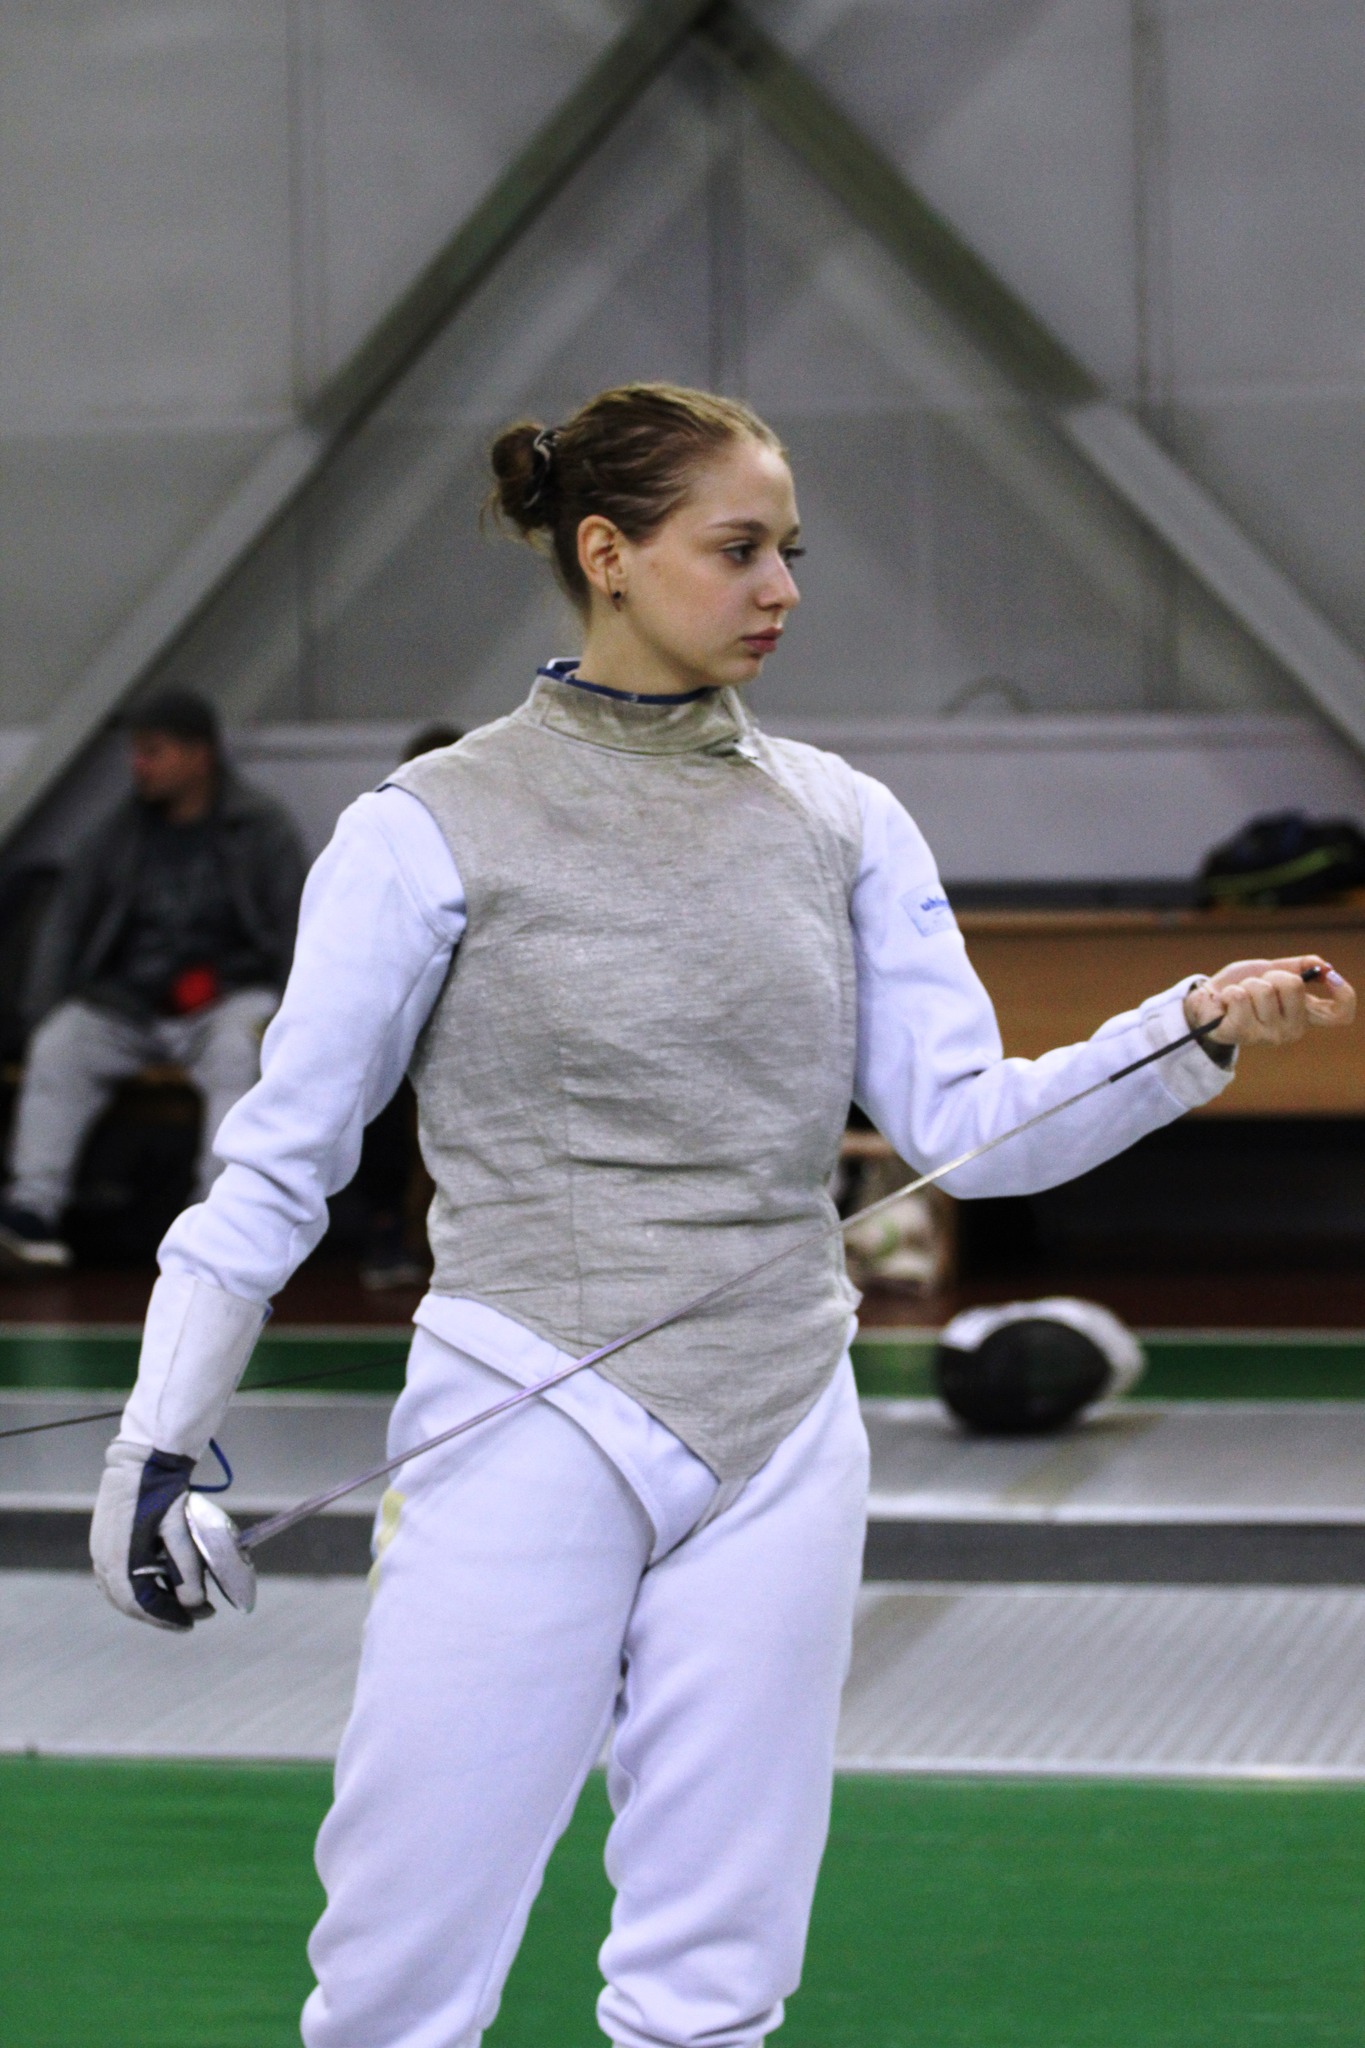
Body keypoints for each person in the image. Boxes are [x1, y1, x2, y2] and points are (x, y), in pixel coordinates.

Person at [88, 386, 1353, 2048]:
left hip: (783, 1428)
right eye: (739, 548)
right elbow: (278, 1161)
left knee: (717, 1981)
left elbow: (969, 1134)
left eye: (791, 551)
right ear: (605, 553)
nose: (783, 589)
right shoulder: (425, 828)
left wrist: (1184, 1028)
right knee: (403, 1963)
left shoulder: (843, 819)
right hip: (519, 1404)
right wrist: (156, 1440)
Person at [0, 689, 305, 1270]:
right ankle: (32, 1211)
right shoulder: (118, 832)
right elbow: (66, 923)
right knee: (61, 1044)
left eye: (153, 752)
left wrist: (292, 1019)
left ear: (199, 755)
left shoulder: (260, 829)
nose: (138, 766)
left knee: (243, 1047)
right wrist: (42, 1010)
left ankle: (219, 1218)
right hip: (129, 1004)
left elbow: (295, 927)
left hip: (226, 1000)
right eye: (136, 752)